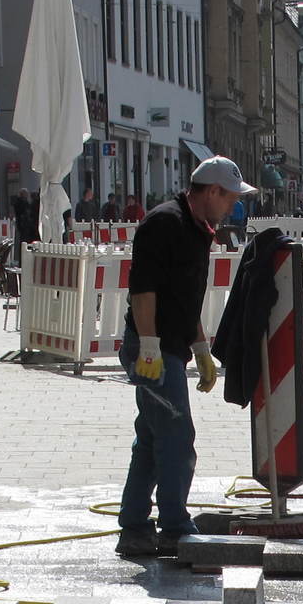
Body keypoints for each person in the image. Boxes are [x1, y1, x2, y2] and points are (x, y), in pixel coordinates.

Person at [114, 156, 250, 557]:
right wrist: (149, 346)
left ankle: (134, 527)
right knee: (176, 437)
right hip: (152, 348)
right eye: (230, 198)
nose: (233, 206)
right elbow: (144, 290)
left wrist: (201, 347)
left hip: (169, 346)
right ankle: (173, 527)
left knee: (152, 438)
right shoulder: (165, 223)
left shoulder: (197, 228)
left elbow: (185, 299)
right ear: (212, 191)